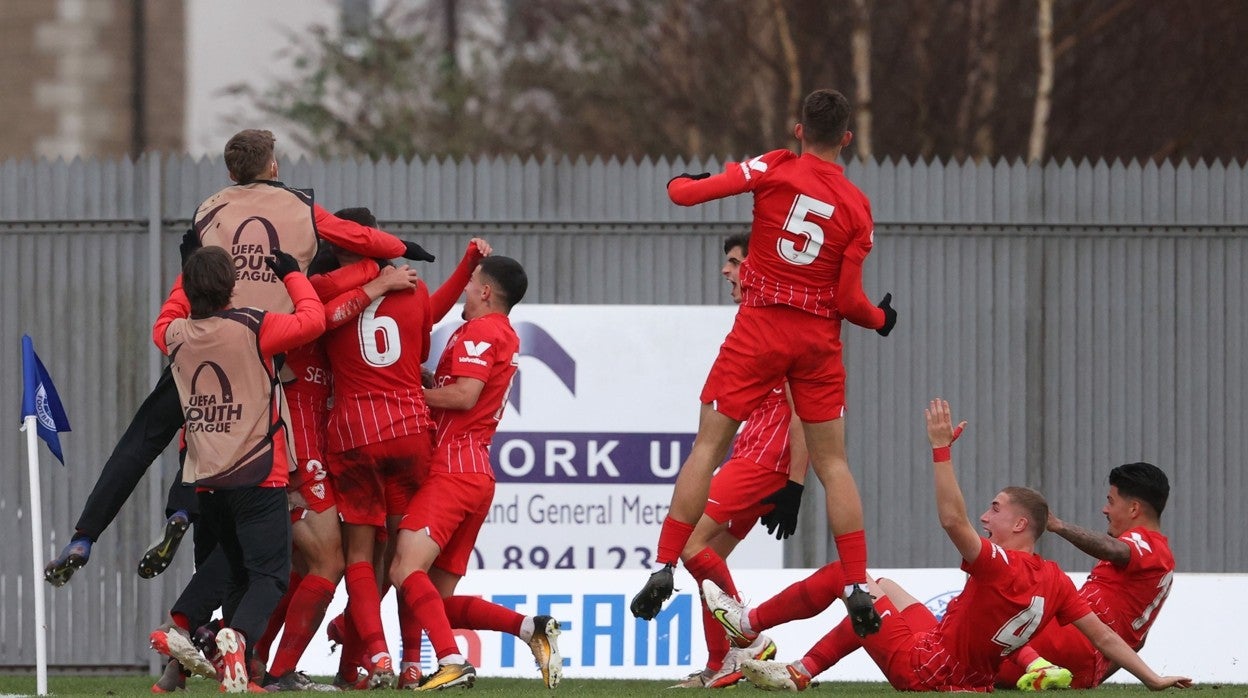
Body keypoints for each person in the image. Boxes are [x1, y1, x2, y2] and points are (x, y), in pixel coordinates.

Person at [43, 128, 436, 586]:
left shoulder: (209, 209)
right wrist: (397, 251)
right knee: (225, 452)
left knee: (148, 437)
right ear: (273, 166)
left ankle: (84, 535)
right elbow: (354, 245)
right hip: (259, 348)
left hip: (198, 337)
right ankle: (191, 524)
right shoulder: (301, 207)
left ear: (231, 171)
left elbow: (192, 275)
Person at [631, 89, 896, 638]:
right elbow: (851, 301)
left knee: (707, 444)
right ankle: (853, 583)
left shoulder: (775, 166)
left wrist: (682, 181)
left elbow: (685, 195)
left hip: (761, 326)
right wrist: (879, 320)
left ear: (798, 130)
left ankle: (663, 563)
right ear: (847, 138)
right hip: (819, 337)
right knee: (835, 465)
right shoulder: (857, 207)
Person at [706, 399, 1191, 693]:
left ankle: (747, 626)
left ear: (1020, 523)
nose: (985, 516)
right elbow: (1106, 638)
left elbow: (952, 519)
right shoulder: (1057, 580)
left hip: (930, 670)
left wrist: (941, 450)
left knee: (845, 578)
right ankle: (799, 671)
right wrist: (1152, 678)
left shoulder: (1001, 566)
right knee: (882, 590)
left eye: (995, 509)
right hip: (968, 673)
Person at [318, 207, 486, 690]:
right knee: (407, 556)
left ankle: (376, 658)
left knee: (359, 557)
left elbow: (317, 317)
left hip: (353, 434)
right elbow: (432, 318)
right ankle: (413, 662)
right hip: (410, 430)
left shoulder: (326, 292)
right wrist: (465, 262)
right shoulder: (412, 290)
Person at [152, 246, 326, 692]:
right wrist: (291, 275)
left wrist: (183, 273)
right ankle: (239, 638)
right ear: (232, 286)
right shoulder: (253, 325)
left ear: (190, 292)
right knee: (270, 575)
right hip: (258, 474)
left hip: (206, 479)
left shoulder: (175, 336)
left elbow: (164, 319)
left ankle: (202, 639)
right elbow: (313, 320)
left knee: (230, 566)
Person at [387, 256, 562, 691]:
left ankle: (450, 660)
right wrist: (430, 385)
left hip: (453, 470)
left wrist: (409, 393)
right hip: (475, 472)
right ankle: (529, 628)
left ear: (486, 292)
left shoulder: (482, 330)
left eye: (469, 284)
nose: (464, 291)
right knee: (436, 601)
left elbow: (465, 396)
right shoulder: (502, 333)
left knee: (404, 570)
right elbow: (465, 393)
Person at [671, 232, 809, 689]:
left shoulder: (779, 324)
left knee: (688, 542)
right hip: (756, 456)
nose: (726, 271)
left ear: (758, 267)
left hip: (763, 463)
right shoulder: (757, 320)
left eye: (733, 262)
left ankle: (746, 640)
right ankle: (721, 661)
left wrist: (795, 486)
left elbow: (805, 415)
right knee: (705, 559)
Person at [998, 462, 1176, 690]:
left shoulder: (1146, 543)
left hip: (1071, 641)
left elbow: (1114, 550)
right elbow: (1138, 641)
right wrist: (1093, 676)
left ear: (1134, 509)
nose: (1105, 509)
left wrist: (1059, 526)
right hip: (1086, 662)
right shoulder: (1159, 560)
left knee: (972, 651)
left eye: (1111, 501)